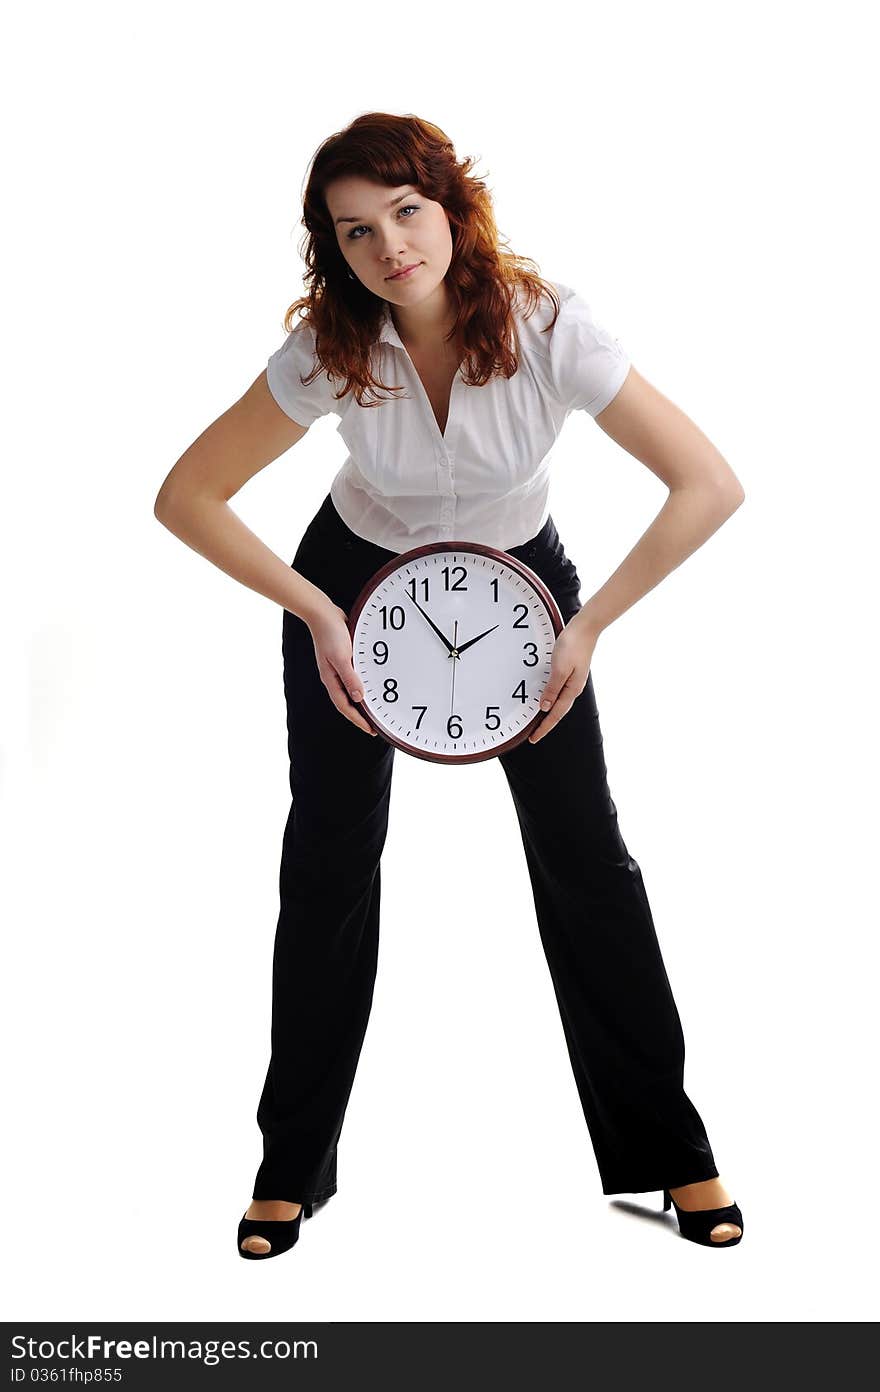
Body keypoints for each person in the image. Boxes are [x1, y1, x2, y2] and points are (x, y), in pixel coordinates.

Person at [154, 112, 746, 1258]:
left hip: (519, 588)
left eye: (407, 212)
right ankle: (290, 1166)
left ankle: (675, 1157)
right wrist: (315, 608)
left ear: (453, 208)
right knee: (328, 858)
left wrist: (588, 626)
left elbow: (707, 484)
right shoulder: (329, 348)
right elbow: (187, 497)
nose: (390, 247)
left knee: (586, 858)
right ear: (336, 249)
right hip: (354, 580)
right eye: (356, 230)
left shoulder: (548, 329)